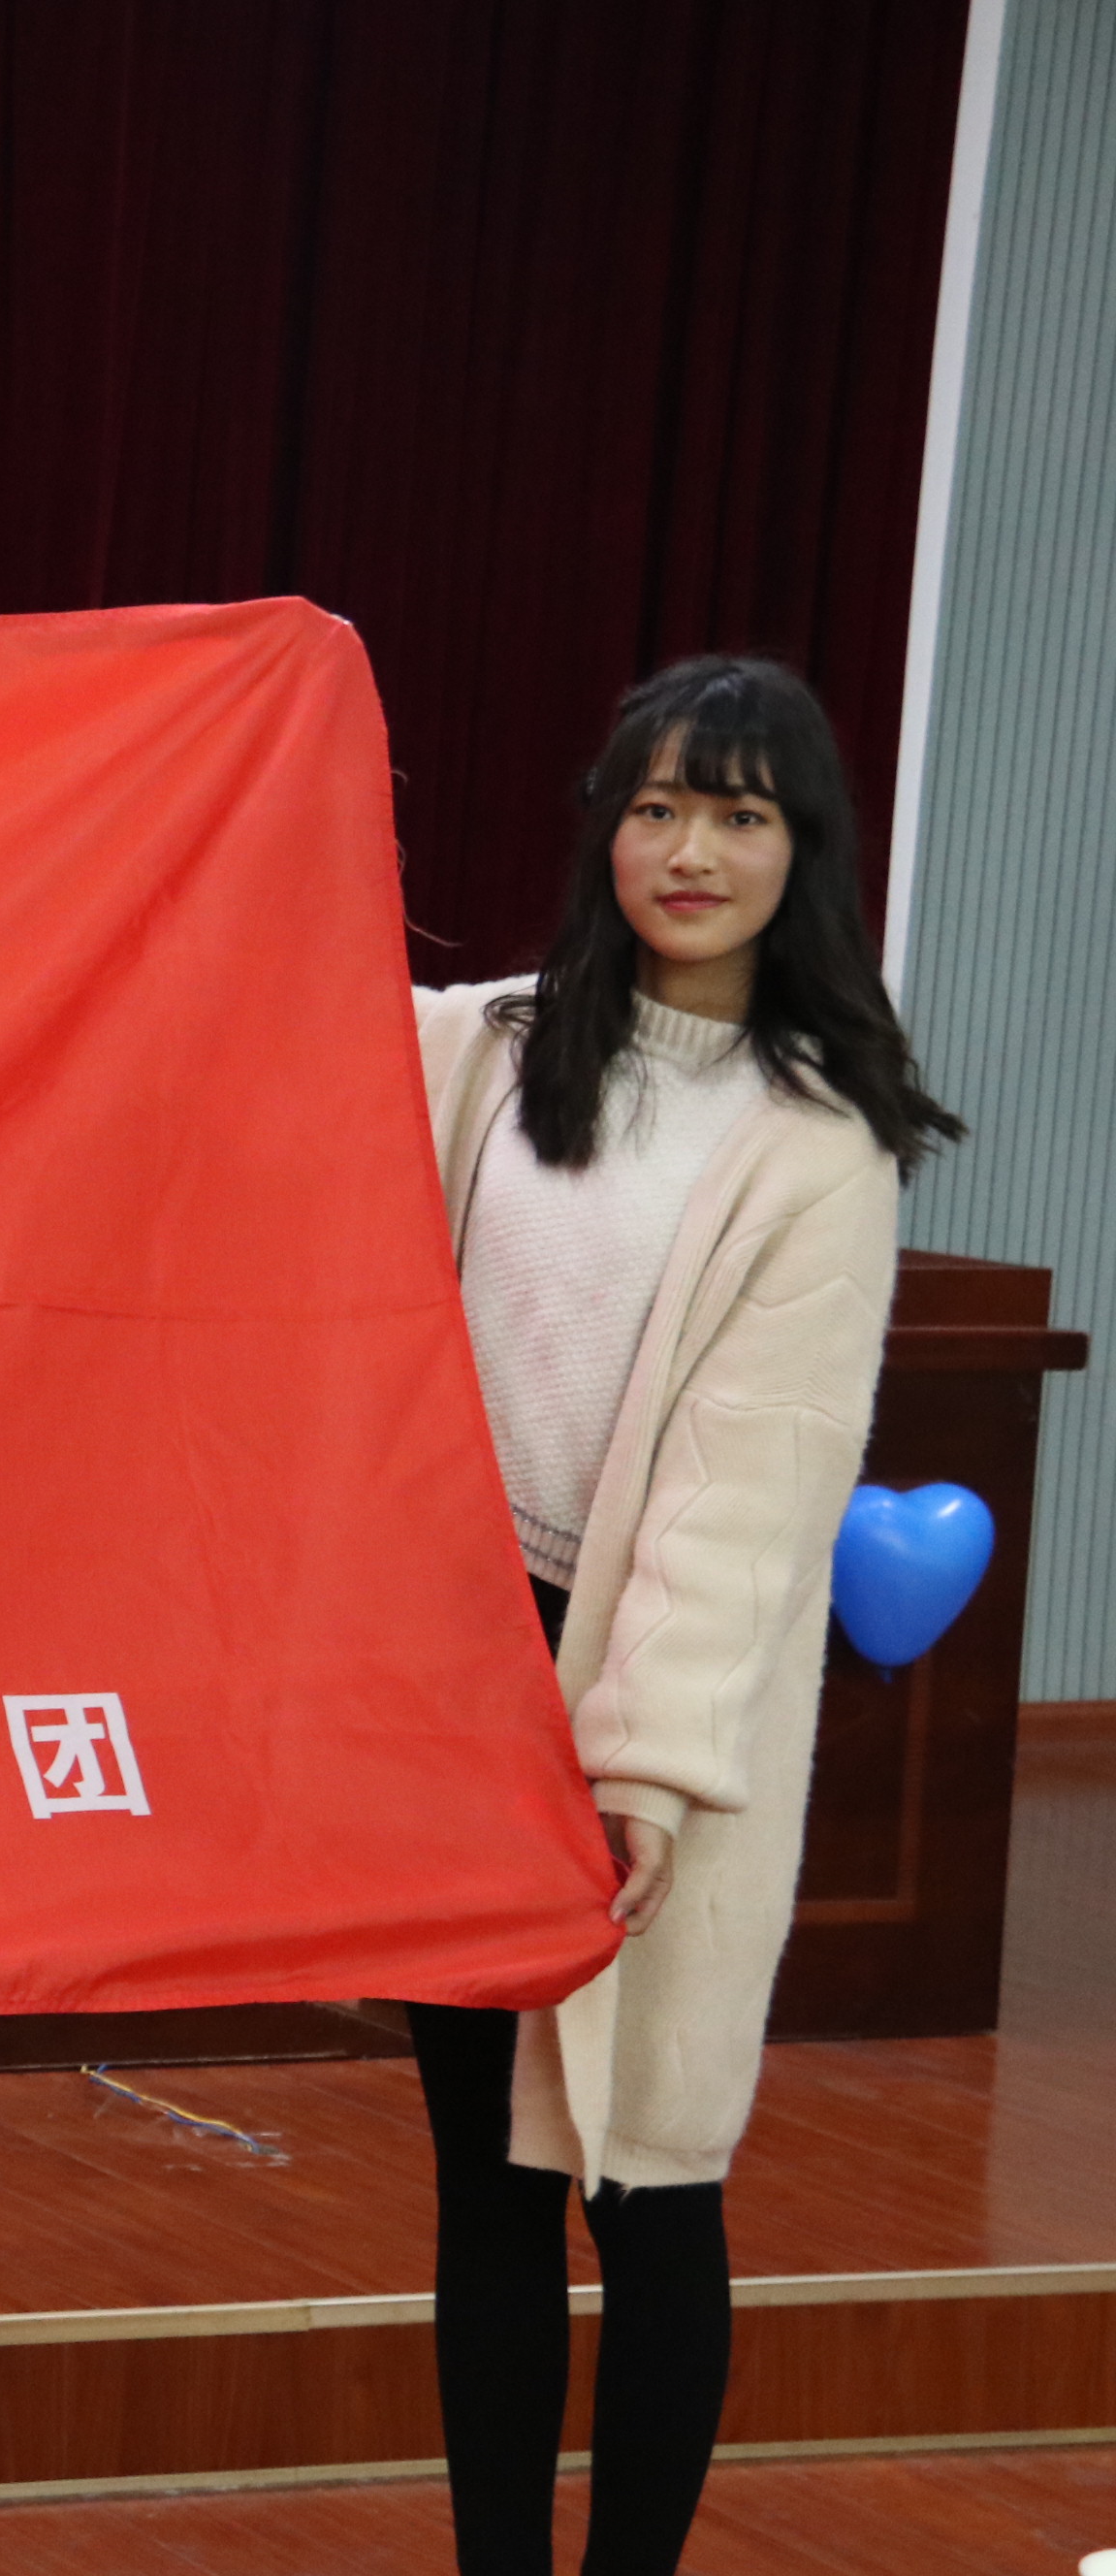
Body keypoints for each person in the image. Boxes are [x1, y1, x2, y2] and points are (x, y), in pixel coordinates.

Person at [404, 653, 962, 2576]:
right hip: (466, 1677)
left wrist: (638, 1765)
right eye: (657, 806)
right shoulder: (484, 1045)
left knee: (647, 2182)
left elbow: (749, 1493)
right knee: (484, 2182)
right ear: (606, 829)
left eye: (740, 812)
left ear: (804, 851)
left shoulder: (820, 1144)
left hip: (660, 1705)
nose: (691, 848)